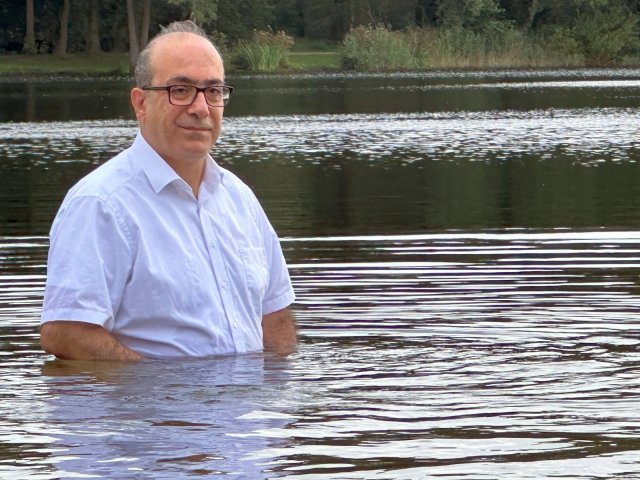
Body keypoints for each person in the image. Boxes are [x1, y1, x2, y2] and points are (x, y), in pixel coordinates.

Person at [39, 20, 297, 360]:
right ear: (141, 103)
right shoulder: (100, 204)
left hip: (248, 396)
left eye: (213, 91)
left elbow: (274, 316)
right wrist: (160, 387)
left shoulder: (241, 200)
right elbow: (66, 333)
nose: (201, 108)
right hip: (156, 397)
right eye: (180, 90)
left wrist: (276, 389)